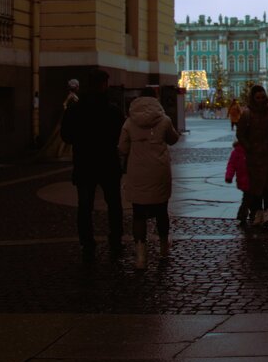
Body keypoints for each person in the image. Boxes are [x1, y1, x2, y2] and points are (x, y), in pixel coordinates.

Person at [60, 69, 125, 264]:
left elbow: (66, 136)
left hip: (84, 163)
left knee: (85, 206)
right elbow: (121, 136)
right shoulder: (112, 109)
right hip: (107, 163)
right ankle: (115, 240)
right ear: (104, 84)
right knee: (114, 204)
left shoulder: (76, 109)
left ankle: (87, 243)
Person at [118, 87, 180, 267]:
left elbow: (122, 148)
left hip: (137, 172)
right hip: (159, 171)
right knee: (161, 211)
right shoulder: (164, 120)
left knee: (138, 214)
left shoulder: (130, 122)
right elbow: (173, 139)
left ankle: (140, 255)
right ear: (156, 99)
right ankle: (163, 248)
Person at [235, 85, 268, 227]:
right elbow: (240, 133)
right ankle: (258, 212)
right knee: (255, 184)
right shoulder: (247, 113)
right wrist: (248, 147)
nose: (260, 100)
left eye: (262, 97)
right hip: (254, 155)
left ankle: (267, 211)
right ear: (253, 98)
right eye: (257, 98)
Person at [224, 140, 250, 227]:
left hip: (250, 178)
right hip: (244, 179)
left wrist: (229, 176)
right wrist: (229, 176)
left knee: (248, 198)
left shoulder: (238, 151)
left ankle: (244, 215)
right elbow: (231, 165)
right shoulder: (237, 151)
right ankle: (244, 215)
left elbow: (231, 165)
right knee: (247, 198)